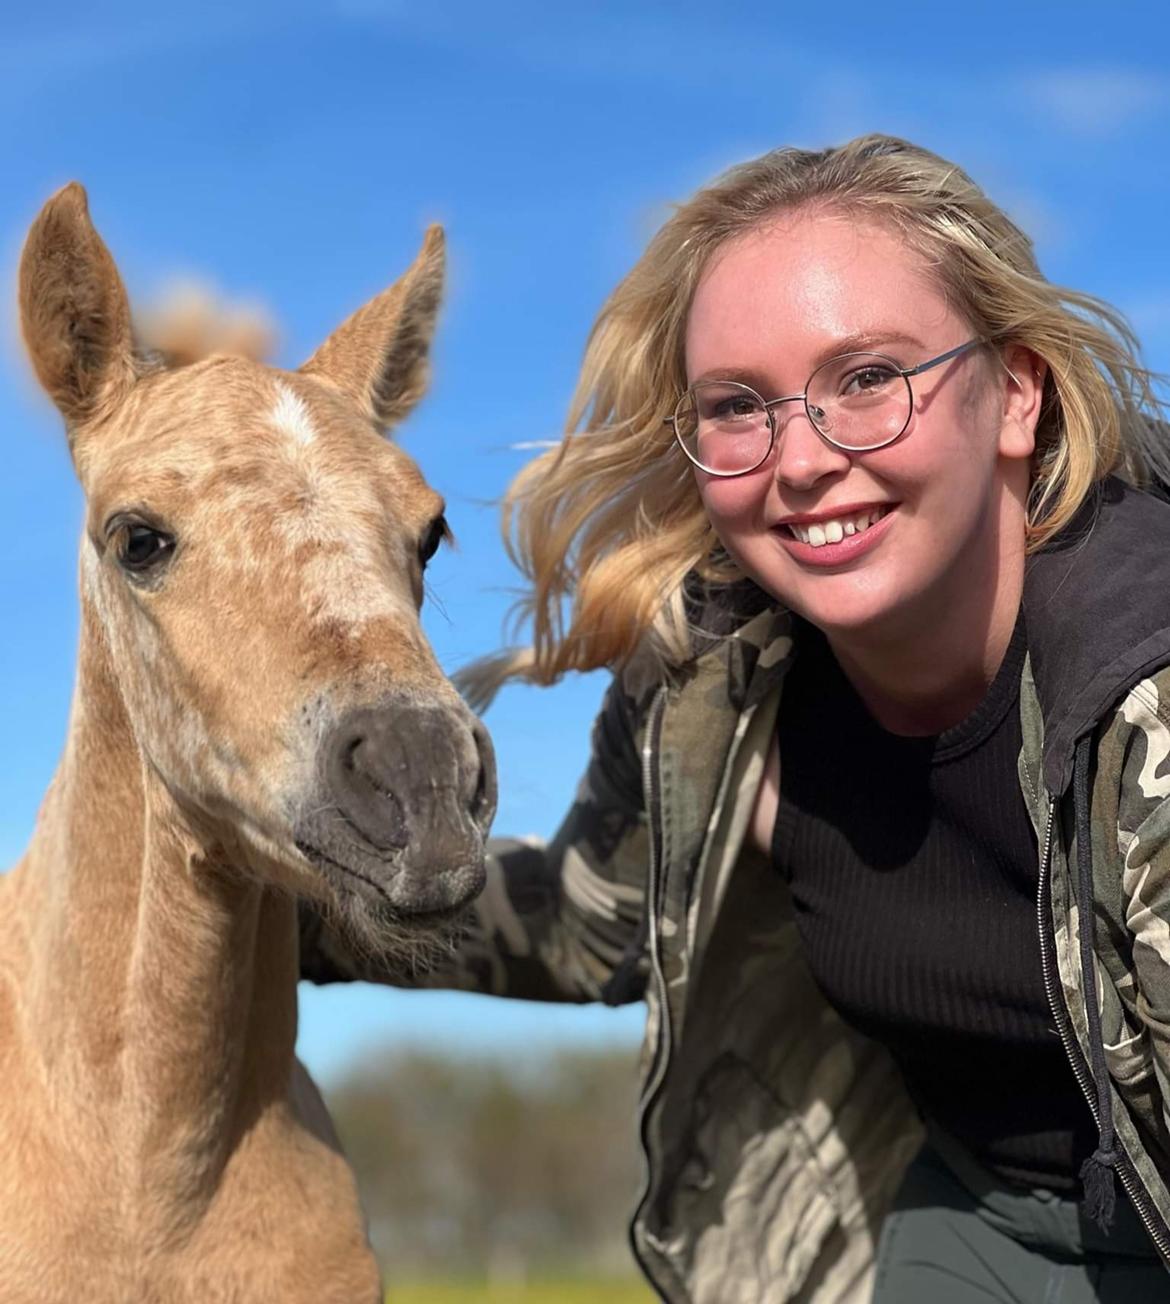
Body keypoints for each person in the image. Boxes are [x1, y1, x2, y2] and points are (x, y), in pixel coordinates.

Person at [302, 135, 1170, 1302]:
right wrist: (287, 906)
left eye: (869, 377)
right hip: (981, 1213)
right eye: (738, 406)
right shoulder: (720, 679)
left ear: (1016, 393)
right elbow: (585, 925)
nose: (801, 460)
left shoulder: (1146, 688)